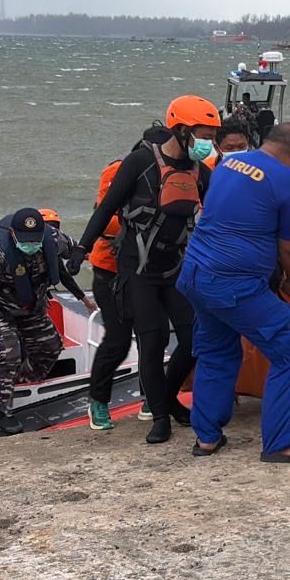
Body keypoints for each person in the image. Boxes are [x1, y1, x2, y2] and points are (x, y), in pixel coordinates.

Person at [176, 123, 290, 464]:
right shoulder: (287, 179)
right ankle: (283, 444)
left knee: (217, 349)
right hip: (233, 284)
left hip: (195, 273)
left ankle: (207, 438)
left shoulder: (228, 164)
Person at [72, 95, 220, 443]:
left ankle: (166, 398)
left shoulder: (201, 172)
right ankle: (160, 417)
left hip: (175, 268)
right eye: (204, 135)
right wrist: (81, 248)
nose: (209, 144)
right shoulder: (139, 163)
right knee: (152, 342)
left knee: (194, 338)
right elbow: (106, 207)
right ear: (181, 130)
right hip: (137, 270)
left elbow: (216, 219)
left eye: (213, 137)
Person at [85, 127, 173, 430]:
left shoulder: (177, 173)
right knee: (118, 339)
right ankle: (98, 400)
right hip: (112, 270)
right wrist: (143, 220)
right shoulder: (119, 171)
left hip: (151, 270)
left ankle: (152, 398)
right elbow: (105, 217)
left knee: (156, 336)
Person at [0, 207, 79, 434]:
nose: (31, 245)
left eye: (35, 240)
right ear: (12, 233)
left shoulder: (53, 239)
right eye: (26, 241)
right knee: (7, 354)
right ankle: (2, 411)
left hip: (31, 308)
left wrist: (83, 257)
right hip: (0, 310)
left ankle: (16, 381)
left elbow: (78, 248)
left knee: (51, 347)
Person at [38, 208, 98, 314]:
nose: (53, 231)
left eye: (55, 227)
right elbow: (65, 277)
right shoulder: (51, 245)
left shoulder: (60, 242)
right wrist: (86, 301)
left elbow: (81, 253)